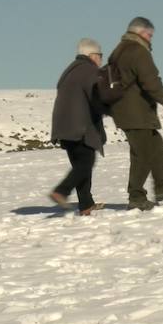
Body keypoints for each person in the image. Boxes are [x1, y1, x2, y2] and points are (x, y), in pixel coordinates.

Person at [107, 17, 163, 211]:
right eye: (149, 35)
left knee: (155, 144)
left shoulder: (119, 50)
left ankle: (161, 186)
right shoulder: (138, 51)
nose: (151, 39)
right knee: (142, 154)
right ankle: (137, 197)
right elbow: (151, 80)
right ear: (140, 32)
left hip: (125, 111)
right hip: (136, 111)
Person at [48, 38, 107, 216]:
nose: (101, 60)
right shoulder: (89, 71)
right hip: (79, 127)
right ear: (92, 55)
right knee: (85, 164)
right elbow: (98, 97)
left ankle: (86, 205)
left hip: (64, 128)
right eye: (100, 56)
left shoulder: (69, 71)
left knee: (80, 165)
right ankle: (61, 191)